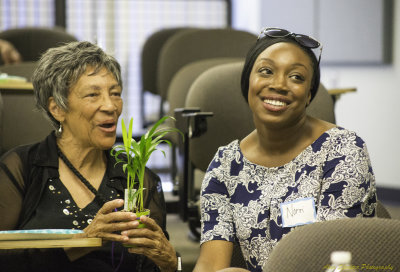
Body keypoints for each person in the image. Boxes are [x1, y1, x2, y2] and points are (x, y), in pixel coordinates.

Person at [194, 27, 376, 272]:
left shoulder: (343, 151)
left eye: (296, 77)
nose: (279, 84)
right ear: (248, 80)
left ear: (309, 94)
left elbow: (335, 259)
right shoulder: (225, 165)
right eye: (266, 71)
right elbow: (210, 265)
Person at [0, 41, 178, 272]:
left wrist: (169, 263)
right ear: (57, 109)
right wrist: (80, 244)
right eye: (93, 95)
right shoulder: (21, 168)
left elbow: (150, 265)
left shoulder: (138, 178)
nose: (110, 106)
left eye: (115, 94)